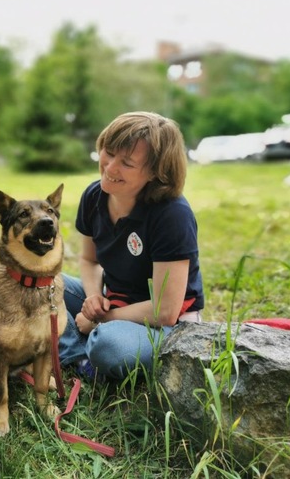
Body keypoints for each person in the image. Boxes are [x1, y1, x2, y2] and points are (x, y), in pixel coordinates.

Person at [58, 111, 204, 381]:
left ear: (155, 172)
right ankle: (77, 356)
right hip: (114, 302)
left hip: (165, 325)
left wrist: (101, 320)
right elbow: (90, 261)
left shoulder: (172, 215)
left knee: (108, 345)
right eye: (108, 152)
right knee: (41, 283)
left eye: (127, 162)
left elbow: (165, 310)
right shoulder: (94, 196)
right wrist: (93, 299)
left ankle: (87, 348)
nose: (111, 167)